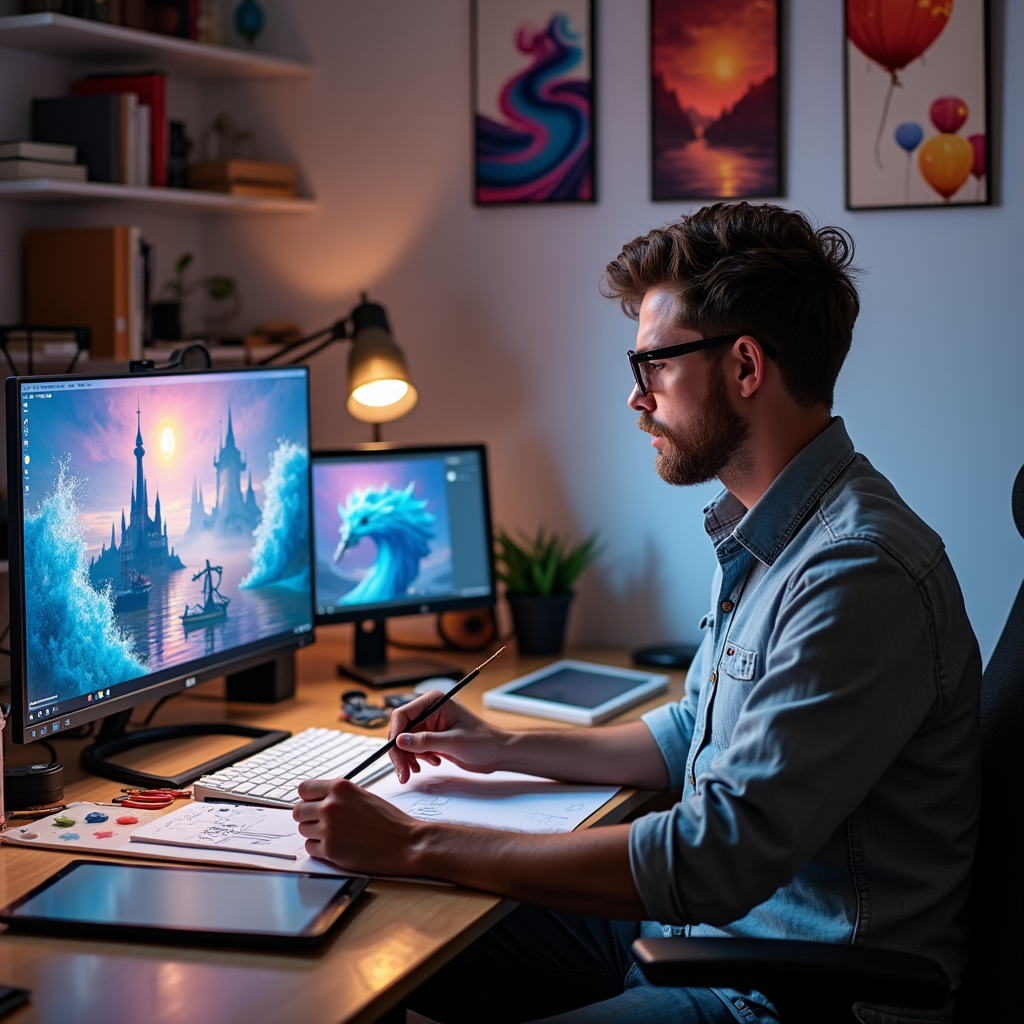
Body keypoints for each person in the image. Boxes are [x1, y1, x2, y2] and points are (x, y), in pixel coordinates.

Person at [293, 203, 981, 1024]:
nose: (634, 396)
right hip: (695, 936)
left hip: (782, 993)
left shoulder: (852, 571)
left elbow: (717, 855)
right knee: (380, 930)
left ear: (745, 367)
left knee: (409, 888)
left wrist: (414, 841)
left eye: (651, 363)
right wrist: (497, 746)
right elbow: (697, 731)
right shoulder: (774, 532)